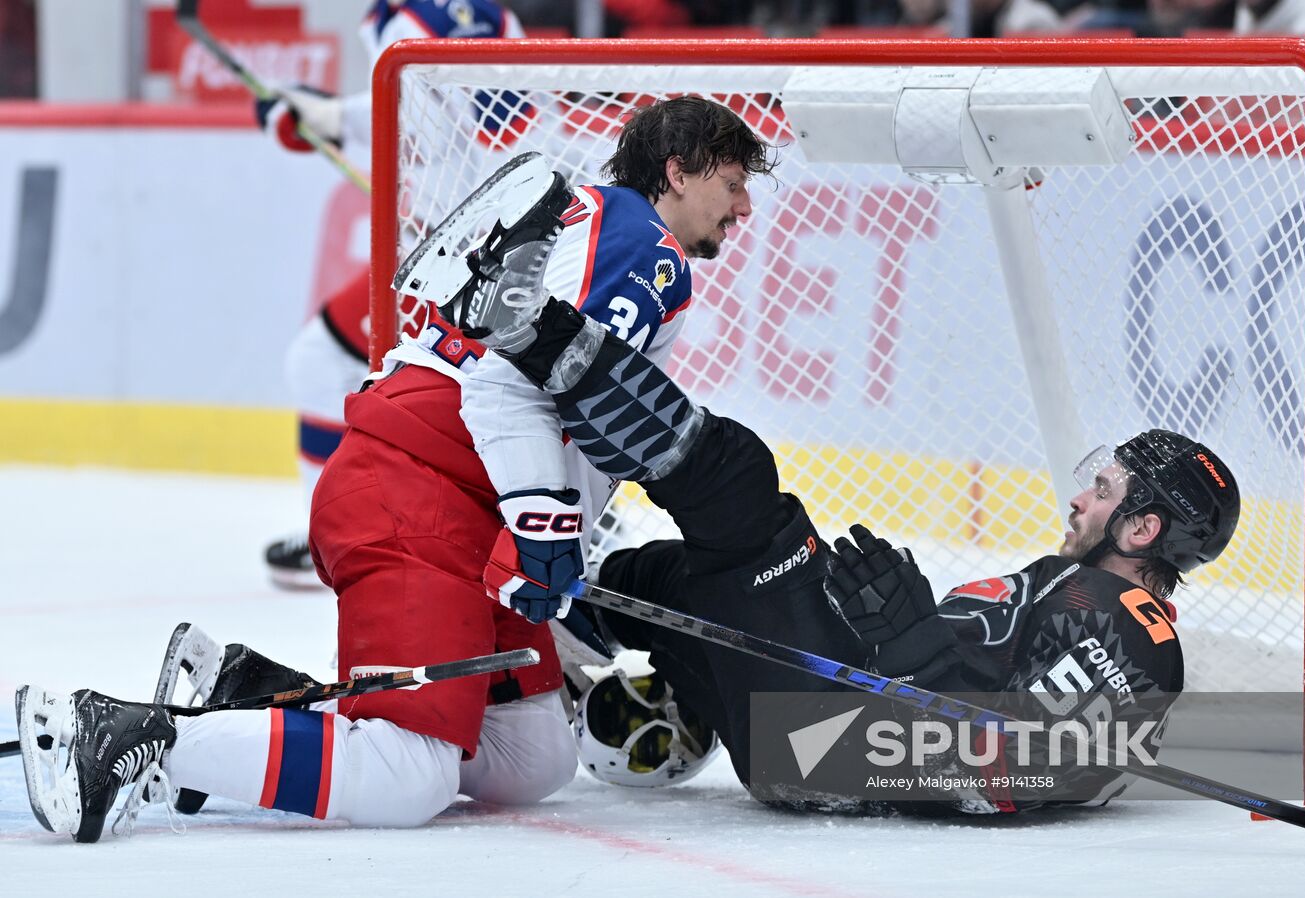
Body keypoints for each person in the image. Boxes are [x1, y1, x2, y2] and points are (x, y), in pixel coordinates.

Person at [12, 102, 775, 842]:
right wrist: (544, 523)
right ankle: (123, 739)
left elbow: (571, 408)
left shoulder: (601, 225)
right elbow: (507, 380)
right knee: (409, 778)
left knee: (530, 760)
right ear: (678, 171)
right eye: (733, 183)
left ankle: (248, 699)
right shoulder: (645, 249)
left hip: (465, 498)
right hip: (419, 493)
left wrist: (558, 533)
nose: (741, 207)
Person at [444, 249, 1241, 811]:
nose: (1080, 500)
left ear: (1141, 528)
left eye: (1103, 491)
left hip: (830, 747)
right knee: (675, 575)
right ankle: (490, 646)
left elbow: (1002, 771)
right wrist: (903, 639)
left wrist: (916, 646)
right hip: (823, 714)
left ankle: (527, 326)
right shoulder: (1081, 588)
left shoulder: (1130, 636)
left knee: (743, 498)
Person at [257, 0, 528, 589]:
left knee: (322, 362)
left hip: (456, 254)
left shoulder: (408, 20)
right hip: (498, 239)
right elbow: (444, 113)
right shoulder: (487, 14)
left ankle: (334, 540)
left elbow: (427, 125)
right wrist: (327, 115)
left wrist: (326, 117)